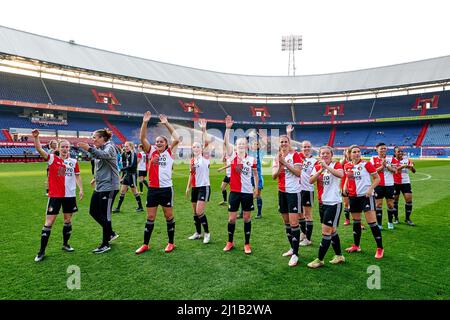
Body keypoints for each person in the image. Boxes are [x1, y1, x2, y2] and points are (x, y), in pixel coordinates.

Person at [32, 130, 83, 262]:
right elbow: (38, 149)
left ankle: (65, 244)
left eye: (67, 147)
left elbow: (76, 176)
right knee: (48, 223)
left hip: (70, 196)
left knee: (67, 221)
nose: (65, 149)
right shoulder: (53, 159)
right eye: (63, 147)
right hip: (55, 196)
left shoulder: (73, 161)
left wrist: (81, 189)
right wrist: (36, 138)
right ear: (58, 148)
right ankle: (41, 251)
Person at [135, 111, 180, 254]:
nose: (159, 143)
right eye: (157, 141)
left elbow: (177, 138)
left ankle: (171, 243)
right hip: (153, 190)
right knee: (150, 217)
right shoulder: (151, 151)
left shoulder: (169, 152)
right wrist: (145, 122)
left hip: (166, 189)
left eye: (162, 141)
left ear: (166, 144)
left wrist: (166, 123)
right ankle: (145, 244)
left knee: (168, 216)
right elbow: (142, 138)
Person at [78, 129, 120, 254]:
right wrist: (95, 178)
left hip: (110, 187)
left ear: (103, 138)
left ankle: (105, 244)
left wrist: (89, 148)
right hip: (100, 185)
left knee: (105, 215)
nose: (93, 140)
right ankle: (110, 232)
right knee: (93, 211)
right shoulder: (101, 148)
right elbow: (101, 166)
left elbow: (104, 156)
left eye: (95, 137)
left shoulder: (110, 146)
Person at [223, 115, 259, 254]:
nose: (241, 146)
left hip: (247, 193)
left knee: (246, 218)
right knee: (232, 219)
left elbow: (255, 175)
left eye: (243, 144)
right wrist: (227, 129)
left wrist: (256, 188)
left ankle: (247, 244)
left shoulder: (251, 159)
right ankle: (230, 242)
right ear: (236, 147)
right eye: (239, 144)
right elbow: (226, 143)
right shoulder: (232, 156)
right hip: (234, 192)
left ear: (246, 146)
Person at [307, 146, 345, 268]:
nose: (324, 155)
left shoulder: (337, 165)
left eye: (327, 153)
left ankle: (320, 259)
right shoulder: (317, 167)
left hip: (334, 203)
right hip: (322, 203)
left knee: (326, 231)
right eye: (322, 153)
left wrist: (327, 167)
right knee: (332, 230)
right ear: (320, 155)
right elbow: (310, 181)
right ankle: (339, 256)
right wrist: (320, 170)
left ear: (331, 154)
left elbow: (341, 175)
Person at [344, 145, 384, 259]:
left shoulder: (366, 164)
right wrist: (345, 186)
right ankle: (356, 245)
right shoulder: (347, 165)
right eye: (354, 152)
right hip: (353, 197)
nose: (357, 154)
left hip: (366, 196)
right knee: (356, 222)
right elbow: (348, 176)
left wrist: (371, 189)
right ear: (350, 154)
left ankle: (380, 248)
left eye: (358, 152)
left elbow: (377, 178)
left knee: (372, 223)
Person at [272, 135, 303, 267]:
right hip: (282, 192)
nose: (284, 144)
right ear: (279, 144)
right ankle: (292, 248)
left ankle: (296, 254)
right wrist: (280, 164)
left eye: (286, 142)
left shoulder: (295, 155)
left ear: (289, 143)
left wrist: (285, 163)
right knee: (286, 222)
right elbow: (274, 176)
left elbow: (298, 173)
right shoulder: (276, 157)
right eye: (282, 142)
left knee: (294, 222)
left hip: (293, 192)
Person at [185, 119, 212, 244]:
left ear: (201, 148)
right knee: (194, 213)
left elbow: (207, 141)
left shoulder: (205, 157)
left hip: (204, 187)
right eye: (193, 146)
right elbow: (191, 174)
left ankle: (207, 233)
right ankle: (197, 233)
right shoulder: (192, 160)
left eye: (197, 146)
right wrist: (188, 187)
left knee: (199, 211)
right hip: (195, 187)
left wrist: (203, 129)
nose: (195, 148)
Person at [370, 142, 399, 230]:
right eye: (381, 148)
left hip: (390, 185)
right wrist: (382, 166)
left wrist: (386, 165)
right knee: (378, 205)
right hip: (378, 185)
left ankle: (390, 222)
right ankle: (379, 224)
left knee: (390, 205)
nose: (383, 150)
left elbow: (395, 171)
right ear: (377, 149)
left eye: (384, 148)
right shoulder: (373, 159)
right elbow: (372, 172)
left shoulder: (391, 158)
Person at [112, 142, 144, 213]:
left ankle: (140, 207)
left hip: (132, 175)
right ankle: (118, 208)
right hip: (127, 175)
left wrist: (121, 169)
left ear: (131, 147)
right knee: (122, 191)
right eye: (125, 146)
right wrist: (122, 176)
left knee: (134, 191)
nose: (125, 148)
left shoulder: (133, 154)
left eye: (127, 146)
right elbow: (124, 165)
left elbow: (132, 166)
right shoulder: (125, 154)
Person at [393, 146, 415, 226]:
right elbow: (395, 170)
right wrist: (402, 166)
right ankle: (396, 219)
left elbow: (414, 171)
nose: (400, 153)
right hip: (395, 183)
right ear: (395, 153)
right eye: (398, 151)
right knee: (395, 202)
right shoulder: (392, 161)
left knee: (409, 200)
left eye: (401, 151)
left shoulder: (407, 160)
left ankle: (407, 219)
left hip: (406, 183)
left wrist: (412, 167)